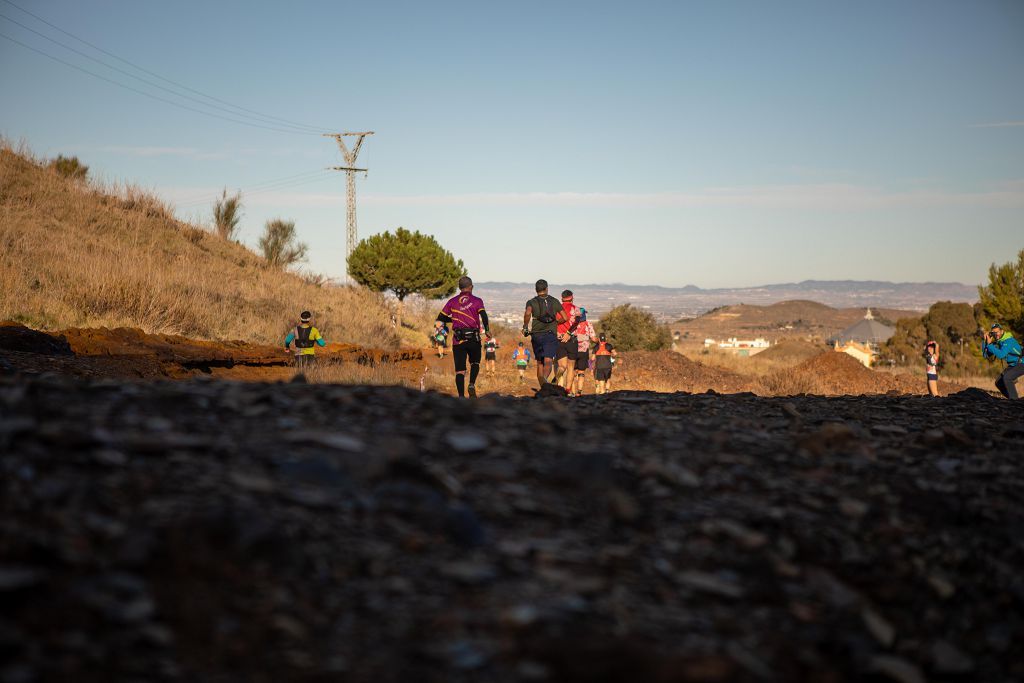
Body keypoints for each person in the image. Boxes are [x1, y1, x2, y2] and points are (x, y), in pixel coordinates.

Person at [436, 276, 491, 398]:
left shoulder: (452, 301)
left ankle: (461, 397)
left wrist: (453, 319)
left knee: (460, 371)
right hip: (474, 338)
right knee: (475, 363)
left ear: (459, 288)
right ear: (471, 287)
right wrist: (487, 330)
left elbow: (440, 317)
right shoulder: (477, 300)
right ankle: (471, 384)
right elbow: (484, 315)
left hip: (458, 340)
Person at [523, 279, 571, 389]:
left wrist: (525, 326)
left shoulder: (531, 302)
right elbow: (565, 317)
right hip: (550, 334)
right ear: (547, 288)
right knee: (548, 360)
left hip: (536, 335)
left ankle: (543, 386)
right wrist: (555, 322)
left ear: (536, 290)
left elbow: (528, 313)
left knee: (540, 362)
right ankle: (544, 382)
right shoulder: (554, 301)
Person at [982, 323, 1023, 399]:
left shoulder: (1008, 340)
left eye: (997, 332)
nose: (995, 334)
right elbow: (986, 355)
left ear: (1002, 331)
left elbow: (1001, 355)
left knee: (1007, 377)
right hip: (1013, 364)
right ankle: (1012, 398)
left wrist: (990, 345)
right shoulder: (999, 341)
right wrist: (985, 342)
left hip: (1021, 363)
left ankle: (1014, 401)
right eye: (993, 333)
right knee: (999, 382)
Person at [554, 290, 581, 389]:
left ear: (561, 298)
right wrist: (569, 333)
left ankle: (556, 379)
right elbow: (577, 322)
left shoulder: (556, 309)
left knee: (562, 366)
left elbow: (552, 322)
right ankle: (568, 390)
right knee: (571, 367)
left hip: (559, 339)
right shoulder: (576, 309)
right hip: (572, 339)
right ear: (572, 297)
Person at [571, 307, 596, 397]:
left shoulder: (572, 324)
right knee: (581, 372)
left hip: (572, 350)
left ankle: (572, 392)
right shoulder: (588, 324)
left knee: (572, 372)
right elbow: (593, 338)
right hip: (584, 351)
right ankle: (579, 392)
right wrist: (598, 341)